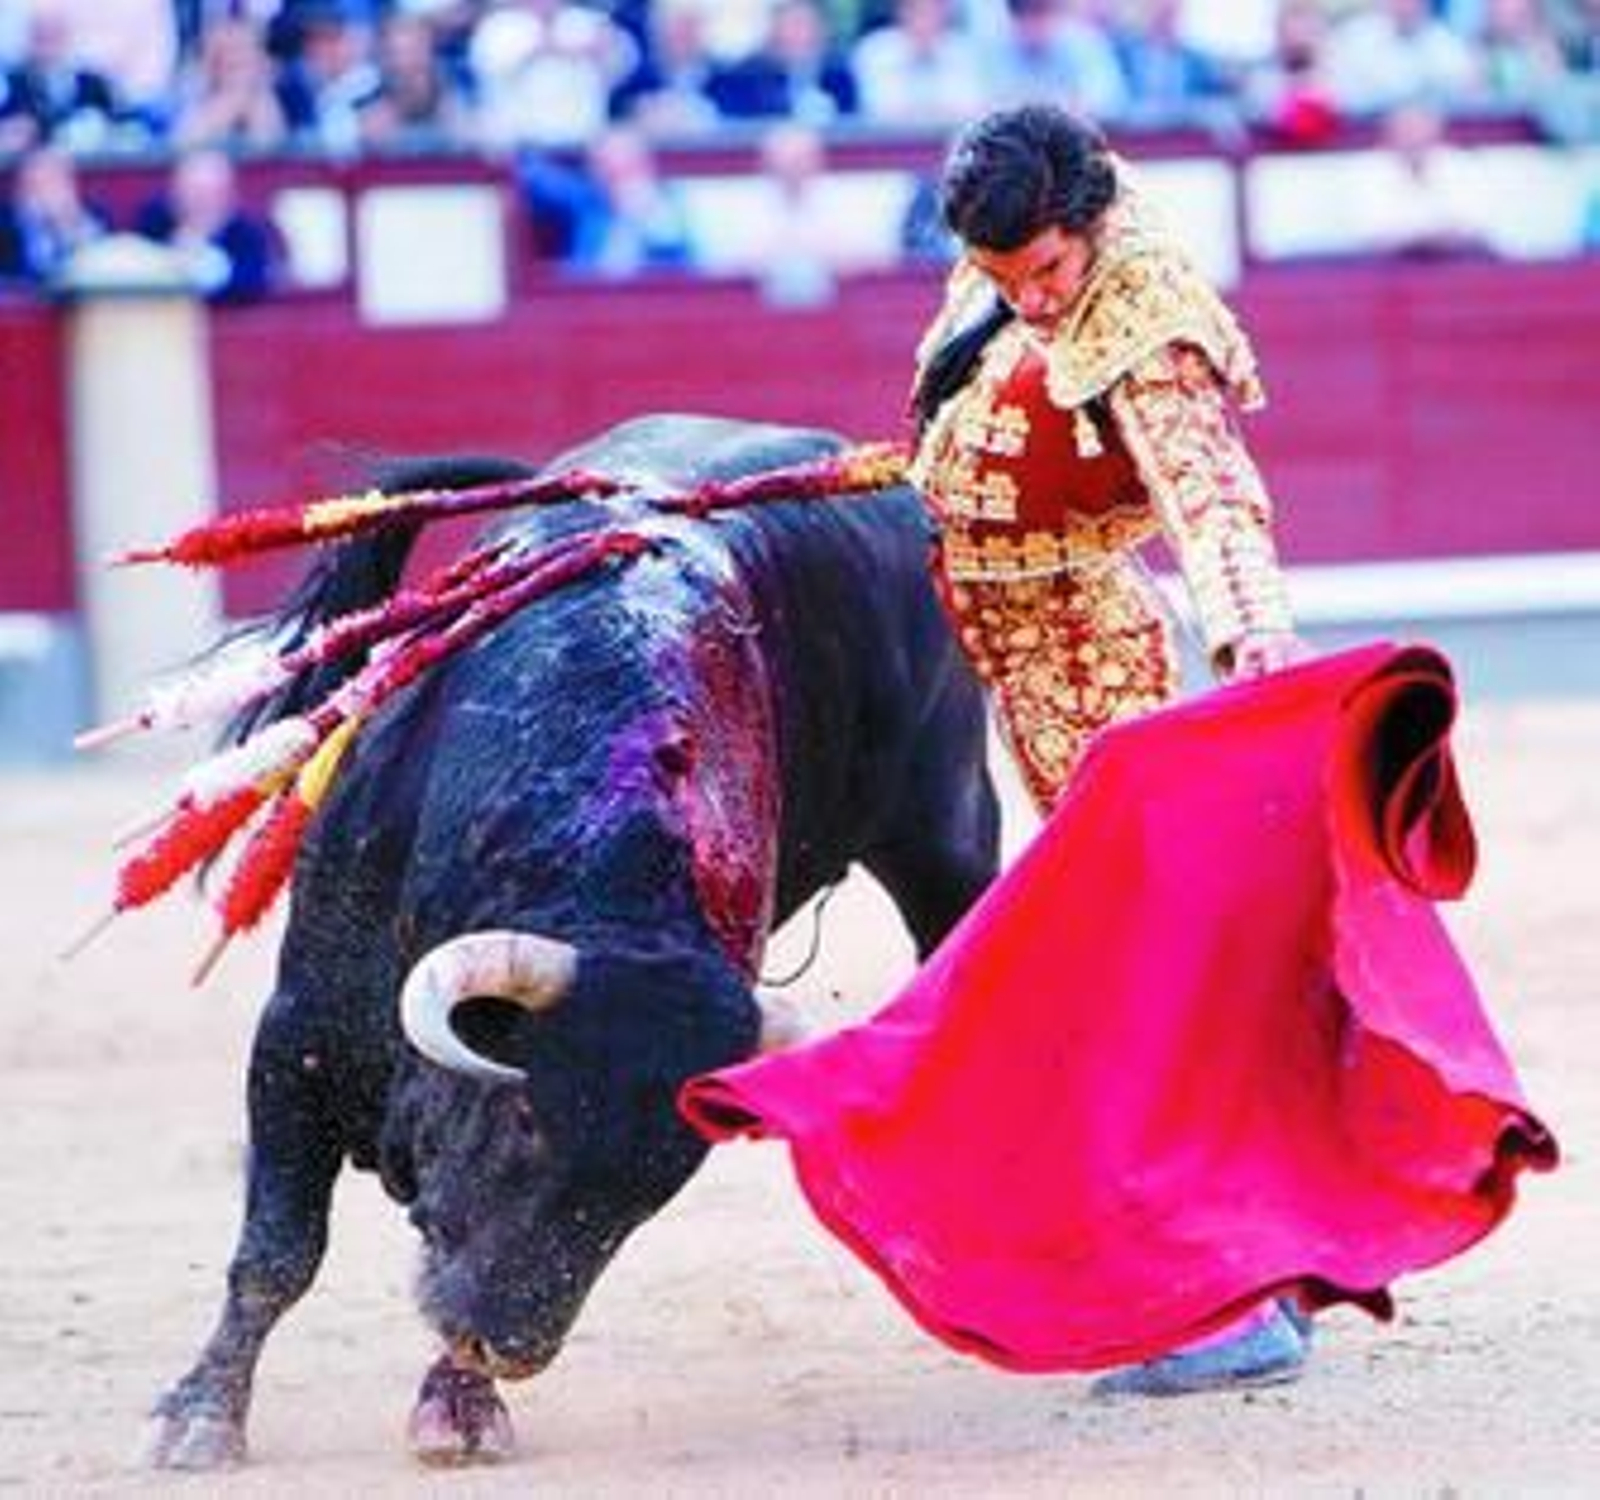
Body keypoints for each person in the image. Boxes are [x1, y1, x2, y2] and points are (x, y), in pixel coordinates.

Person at [907, 103, 1310, 1393]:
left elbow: (1210, 492)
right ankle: (1264, 1258)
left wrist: (1254, 641)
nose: (1029, 298)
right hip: (1029, 665)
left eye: (1048, 274)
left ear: (1088, 230)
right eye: (1002, 275)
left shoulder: (1141, 314)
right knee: (1137, 961)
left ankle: (1228, 1299)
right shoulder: (1022, 237)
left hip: (1092, 661)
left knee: (1140, 970)